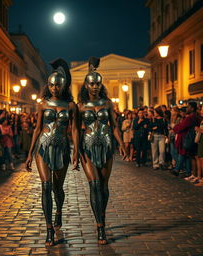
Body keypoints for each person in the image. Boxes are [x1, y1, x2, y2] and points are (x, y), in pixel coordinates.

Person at [26, 59, 79, 246]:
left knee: (58, 189)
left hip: (62, 149)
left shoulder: (71, 106)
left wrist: (76, 152)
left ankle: (58, 212)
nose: (54, 88)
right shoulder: (42, 104)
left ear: (63, 85)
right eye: (51, 85)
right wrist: (29, 153)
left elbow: (74, 130)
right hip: (43, 148)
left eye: (57, 85)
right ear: (48, 86)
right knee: (46, 186)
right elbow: (37, 129)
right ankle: (49, 229)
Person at [77, 57, 127, 245]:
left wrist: (121, 145)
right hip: (87, 147)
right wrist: (75, 152)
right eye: (92, 83)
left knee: (104, 188)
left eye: (98, 83)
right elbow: (74, 129)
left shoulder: (107, 103)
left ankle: (102, 216)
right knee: (95, 184)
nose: (95, 86)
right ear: (86, 85)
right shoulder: (80, 106)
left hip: (106, 146)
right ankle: (100, 227)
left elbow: (114, 126)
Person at [173, 101, 201, 178]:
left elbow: (182, 126)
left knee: (194, 157)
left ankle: (195, 175)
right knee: (192, 156)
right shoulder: (196, 116)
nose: (187, 108)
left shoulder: (190, 117)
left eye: (188, 107)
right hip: (194, 138)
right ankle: (193, 174)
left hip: (191, 139)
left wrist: (174, 128)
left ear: (192, 108)